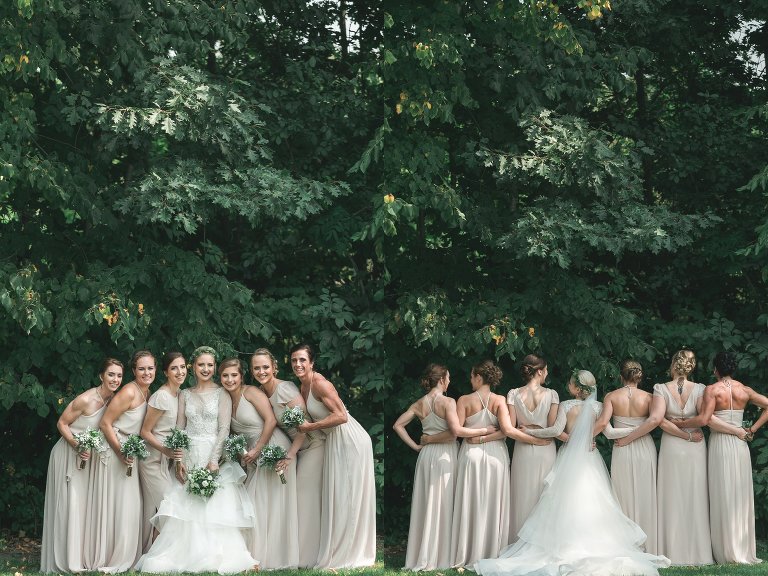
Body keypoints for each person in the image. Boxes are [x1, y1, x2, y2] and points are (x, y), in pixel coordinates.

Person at [474, 370, 671, 576]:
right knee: (595, 499)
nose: (568, 386)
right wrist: (637, 428)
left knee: (563, 500)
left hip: (569, 458)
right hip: (590, 457)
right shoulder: (598, 407)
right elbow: (610, 432)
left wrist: (530, 431)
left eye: (570, 383)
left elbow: (554, 431)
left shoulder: (566, 405)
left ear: (577, 388)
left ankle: (563, 545)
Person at [135, 346, 257, 573]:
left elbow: (223, 428)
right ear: (194, 367)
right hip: (189, 454)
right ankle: (184, 554)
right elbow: (180, 428)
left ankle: (216, 554)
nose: (206, 369)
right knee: (186, 501)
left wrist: (214, 460)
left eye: (210, 365)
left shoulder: (222, 393)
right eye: (202, 364)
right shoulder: (185, 394)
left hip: (213, 452)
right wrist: (179, 460)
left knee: (215, 504)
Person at [449, 360, 551, 568]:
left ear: (479, 377)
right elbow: (507, 430)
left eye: (471, 376)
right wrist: (536, 441)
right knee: (494, 503)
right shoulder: (499, 400)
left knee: (471, 501)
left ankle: (468, 552)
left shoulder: (464, 400)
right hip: (496, 456)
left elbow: (458, 431)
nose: (470, 380)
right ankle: (494, 551)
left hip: (471, 453)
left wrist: (478, 436)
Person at [675, 351, 768, 564]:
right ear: (733, 369)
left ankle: (725, 549)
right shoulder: (744, 390)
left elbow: (705, 419)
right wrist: (751, 429)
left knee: (721, 492)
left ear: (715, 369)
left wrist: (679, 423)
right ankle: (741, 548)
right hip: (740, 443)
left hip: (720, 444)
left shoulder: (712, 390)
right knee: (739, 492)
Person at [293, 343, 376, 569]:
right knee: (338, 496)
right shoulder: (303, 387)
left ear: (312, 363)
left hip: (349, 440)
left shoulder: (320, 384)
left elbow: (341, 416)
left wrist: (311, 427)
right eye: (294, 361)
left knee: (347, 496)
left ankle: (349, 552)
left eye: (302, 360)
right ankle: (336, 548)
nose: (298, 365)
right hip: (333, 441)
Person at [40, 358, 123, 573]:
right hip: (68, 454)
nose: (115, 379)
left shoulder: (113, 399)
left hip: (88, 458)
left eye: (119, 375)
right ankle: (65, 560)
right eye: (111, 374)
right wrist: (77, 446)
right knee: (70, 505)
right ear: (101, 376)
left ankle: (81, 557)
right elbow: (62, 423)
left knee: (83, 508)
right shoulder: (86, 399)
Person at [223, 357, 299, 570]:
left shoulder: (251, 392)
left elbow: (271, 420)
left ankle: (272, 557)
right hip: (253, 456)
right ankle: (255, 555)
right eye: (225, 376)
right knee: (257, 504)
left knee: (268, 503)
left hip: (272, 448)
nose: (230, 380)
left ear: (241, 376)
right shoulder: (227, 399)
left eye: (234, 375)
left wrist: (258, 449)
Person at [253, 347, 325, 568]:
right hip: (297, 449)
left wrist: (290, 455)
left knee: (304, 499)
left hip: (313, 445)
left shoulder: (285, 389)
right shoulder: (261, 392)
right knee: (298, 500)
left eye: (265, 367)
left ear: (274, 367)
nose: (261, 371)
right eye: (256, 368)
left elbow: (303, 426)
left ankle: (308, 557)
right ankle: (299, 553)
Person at [88, 351, 154, 572]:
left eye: (150, 368)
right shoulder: (128, 391)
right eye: (142, 369)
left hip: (130, 452)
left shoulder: (147, 392)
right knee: (118, 506)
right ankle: (111, 557)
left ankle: (125, 555)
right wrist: (120, 452)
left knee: (128, 506)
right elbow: (105, 423)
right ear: (134, 371)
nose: (147, 373)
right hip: (115, 451)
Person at [593, 360, 663, 554]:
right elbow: (655, 421)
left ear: (621, 376)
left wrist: (583, 438)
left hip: (621, 446)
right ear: (639, 376)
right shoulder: (650, 397)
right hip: (644, 447)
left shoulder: (612, 396)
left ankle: (625, 544)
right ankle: (647, 545)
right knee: (645, 493)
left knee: (621, 494)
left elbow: (602, 424)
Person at [392, 363, 459, 571]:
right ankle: (441, 555)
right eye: (448, 378)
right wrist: (427, 441)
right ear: (441, 380)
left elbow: (397, 425)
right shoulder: (448, 402)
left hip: (426, 456)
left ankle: (425, 553)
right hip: (445, 454)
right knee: (445, 502)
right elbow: (453, 433)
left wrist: (417, 446)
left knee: (427, 502)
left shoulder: (419, 403)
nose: (449, 381)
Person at [653, 349, 713, 565]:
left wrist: (678, 431)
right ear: (692, 367)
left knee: (672, 493)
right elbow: (702, 418)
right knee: (694, 493)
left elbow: (659, 420)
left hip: (672, 443)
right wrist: (687, 434)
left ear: (673, 364)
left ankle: (672, 550)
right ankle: (697, 552)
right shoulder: (699, 389)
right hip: (695, 442)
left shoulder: (661, 389)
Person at [506, 354, 559, 539]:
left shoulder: (513, 394)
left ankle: (519, 540)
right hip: (546, 448)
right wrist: (538, 431)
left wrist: (527, 430)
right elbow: (552, 428)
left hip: (522, 448)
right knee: (544, 494)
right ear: (539, 371)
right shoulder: (552, 394)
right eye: (546, 370)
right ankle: (544, 540)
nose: (547, 373)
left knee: (523, 495)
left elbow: (512, 427)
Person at [138, 351, 186, 551]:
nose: (179, 372)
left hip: (165, 461)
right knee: (169, 506)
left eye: (182, 367)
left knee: (162, 509)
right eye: (174, 368)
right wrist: (166, 451)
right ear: (165, 372)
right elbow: (145, 432)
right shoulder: (162, 397)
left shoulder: (178, 395)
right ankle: (161, 554)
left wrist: (176, 460)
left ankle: (154, 552)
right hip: (151, 461)